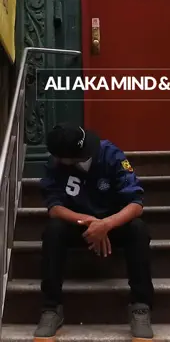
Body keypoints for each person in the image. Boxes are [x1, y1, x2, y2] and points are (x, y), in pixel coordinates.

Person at [34, 123, 154, 341]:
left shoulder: (111, 154)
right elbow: (54, 208)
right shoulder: (55, 163)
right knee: (53, 230)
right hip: (78, 225)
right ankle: (51, 308)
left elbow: (136, 205)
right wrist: (90, 222)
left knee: (138, 229)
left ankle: (140, 306)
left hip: (112, 225)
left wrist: (106, 224)